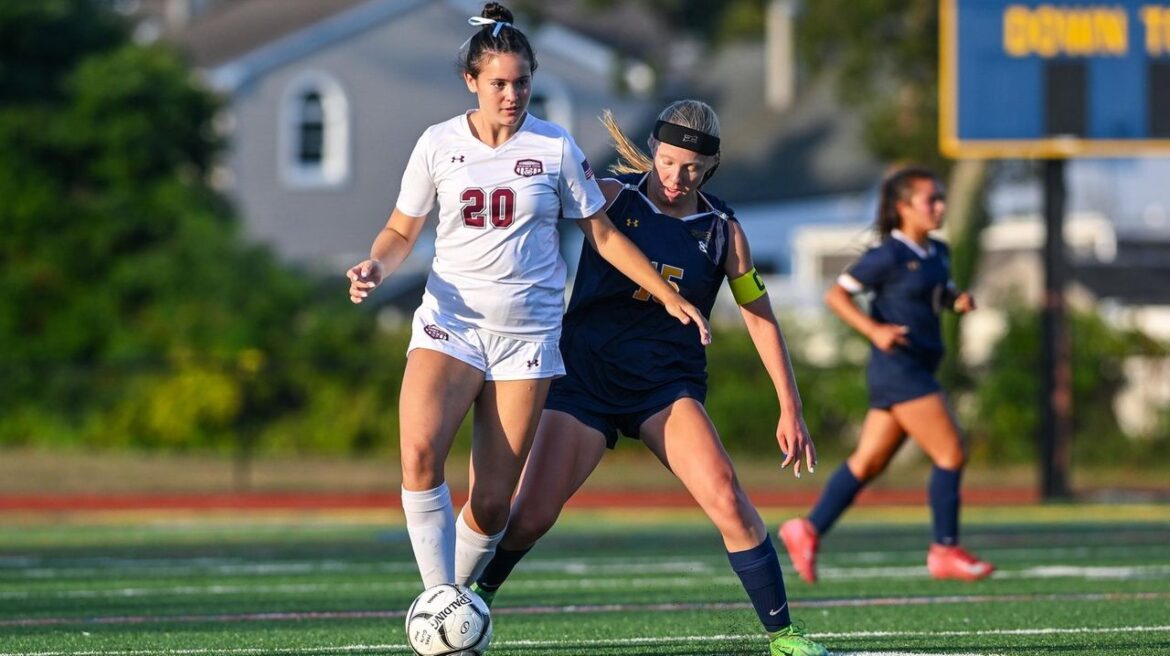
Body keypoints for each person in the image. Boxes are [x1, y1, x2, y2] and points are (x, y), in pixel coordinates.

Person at [347, 3, 711, 592]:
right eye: (499, 84)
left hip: (528, 340)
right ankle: (441, 604)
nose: (512, 95)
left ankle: (459, 603)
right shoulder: (438, 144)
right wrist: (375, 266)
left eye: (522, 83)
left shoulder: (555, 146)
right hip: (451, 323)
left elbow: (603, 233)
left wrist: (664, 294)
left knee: (492, 505)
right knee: (418, 453)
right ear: (472, 81)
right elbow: (400, 232)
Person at [471, 100, 829, 656]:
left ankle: (783, 634)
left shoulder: (722, 232)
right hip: (586, 380)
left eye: (688, 168)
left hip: (664, 387)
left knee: (727, 497)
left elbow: (760, 318)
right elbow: (534, 212)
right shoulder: (616, 198)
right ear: (654, 152)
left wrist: (791, 404)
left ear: (708, 168)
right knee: (531, 516)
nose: (673, 176)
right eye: (665, 161)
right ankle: (473, 598)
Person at [779, 166, 995, 584]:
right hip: (900, 370)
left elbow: (934, 291)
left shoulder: (938, 252)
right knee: (952, 452)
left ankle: (807, 529)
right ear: (903, 208)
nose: (940, 206)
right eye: (930, 199)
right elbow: (836, 295)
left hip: (916, 366)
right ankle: (944, 549)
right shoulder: (888, 254)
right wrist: (873, 329)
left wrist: (954, 301)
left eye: (941, 198)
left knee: (867, 463)